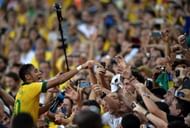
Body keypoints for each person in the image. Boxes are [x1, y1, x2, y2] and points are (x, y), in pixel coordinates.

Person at [13, 60, 93, 122]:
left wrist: (55, 101)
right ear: (28, 77)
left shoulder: (24, 90)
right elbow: (60, 80)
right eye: (35, 71)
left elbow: (37, 112)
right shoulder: (31, 87)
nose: (39, 73)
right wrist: (82, 66)